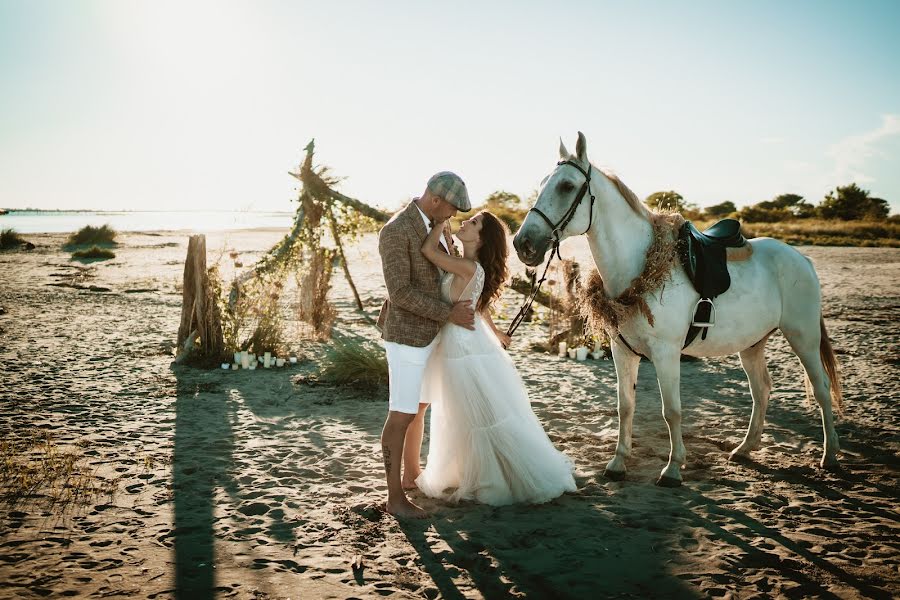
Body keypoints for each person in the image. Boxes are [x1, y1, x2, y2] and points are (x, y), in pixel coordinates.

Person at [415, 210, 577, 506]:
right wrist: (497, 330)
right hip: (467, 340)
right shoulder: (468, 264)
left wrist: (439, 220)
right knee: (466, 413)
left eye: (473, 222)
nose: (465, 222)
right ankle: (475, 473)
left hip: (462, 349)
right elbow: (476, 305)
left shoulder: (466, 266)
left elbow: (426, 250)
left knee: (474, 414)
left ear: (481, 238)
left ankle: (491, 479)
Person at [377, 171, 475, 519]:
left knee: (418, 407)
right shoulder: (395, 231)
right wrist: (449, 314)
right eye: (450, 208)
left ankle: (410, 476)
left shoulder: (439, 225)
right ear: (435, 199)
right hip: (406, 337)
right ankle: (394, 500)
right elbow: (400, 292)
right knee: (401, 413)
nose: (452, 216)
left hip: (432, 335)